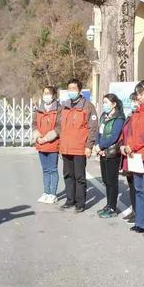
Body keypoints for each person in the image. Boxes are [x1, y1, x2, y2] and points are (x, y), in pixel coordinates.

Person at [123, 80, 144, 234]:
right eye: (138, 94)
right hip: (134, 155)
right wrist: (125, 146)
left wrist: (133, 146)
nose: (139, 96)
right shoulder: (137, 112)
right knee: (138, 189)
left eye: (142, 93)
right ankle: (140, 220)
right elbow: (129, 132)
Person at [59, 79, 98, 213]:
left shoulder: (87, 106)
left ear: (79, 90)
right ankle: (70, 200)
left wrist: (89, 146)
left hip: (80, 148)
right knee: (68, 175)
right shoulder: (64, 106)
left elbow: (92, 128)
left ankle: (80, 203)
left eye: (74, 89)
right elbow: (60, 127)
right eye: (69, 89)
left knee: (79, 176)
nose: (71, 91)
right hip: (66, 147)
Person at [94, 94, 125, 218]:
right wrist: (97, 145)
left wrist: (101, 146)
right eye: (103, 102)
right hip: (102, 152)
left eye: (106, 102)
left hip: (112, 153)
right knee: (106, 181)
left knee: (112, 182)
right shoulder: (104, 116)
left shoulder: (119, 118)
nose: (104, 105)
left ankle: (113, 207)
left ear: (114, 104)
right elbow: (98, 133)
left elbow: (114, 137)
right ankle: (108, 205)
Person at [32, 85, 62, 204]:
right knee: (45, 170)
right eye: (45, 93)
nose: (46, 95)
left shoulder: (59, 109)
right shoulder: (39, 109)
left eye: (49, 93)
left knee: (53, 169)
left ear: (54, 95)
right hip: (41, 144)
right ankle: (46, 192)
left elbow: (59, 127)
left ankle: (53, 193)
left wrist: (46, 138)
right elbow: (34, 124)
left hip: (52, 144)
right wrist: (38, 136)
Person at [120, 92, 139, 224]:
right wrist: (121, 145)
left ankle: (139, 212)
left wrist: (131, 146)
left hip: (136, 153)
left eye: (136, 100)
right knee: (131, 184)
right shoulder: (129, 116)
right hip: (127, 154)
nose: (134, 103)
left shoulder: (141, 116)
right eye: (132, 100)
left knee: (139, 186)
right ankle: (134, 210)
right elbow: (124, 133)